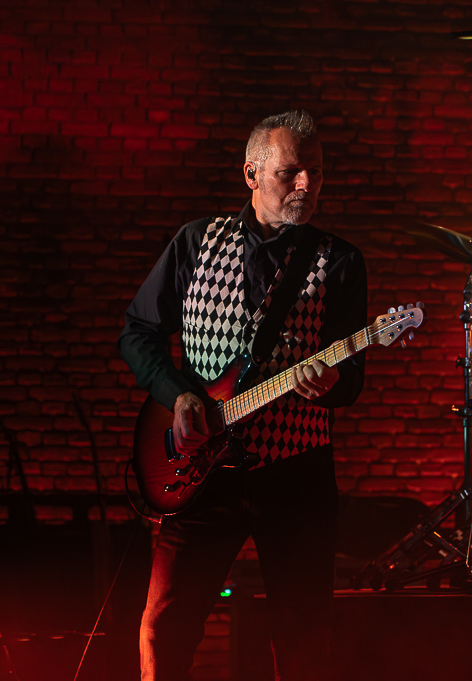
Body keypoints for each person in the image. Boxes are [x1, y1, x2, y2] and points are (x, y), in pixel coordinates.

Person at [119, 110, 368, 681]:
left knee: (304, 645)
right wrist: (178, 395)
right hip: (203, 473)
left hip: (297, 475)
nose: (306, 184)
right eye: (290, 172)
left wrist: (333, 385)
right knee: (162, 627)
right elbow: (138, 331)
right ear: (252, 174)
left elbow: (353, 375)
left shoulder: (340, 261)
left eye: (316, 172)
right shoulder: (195, 243)